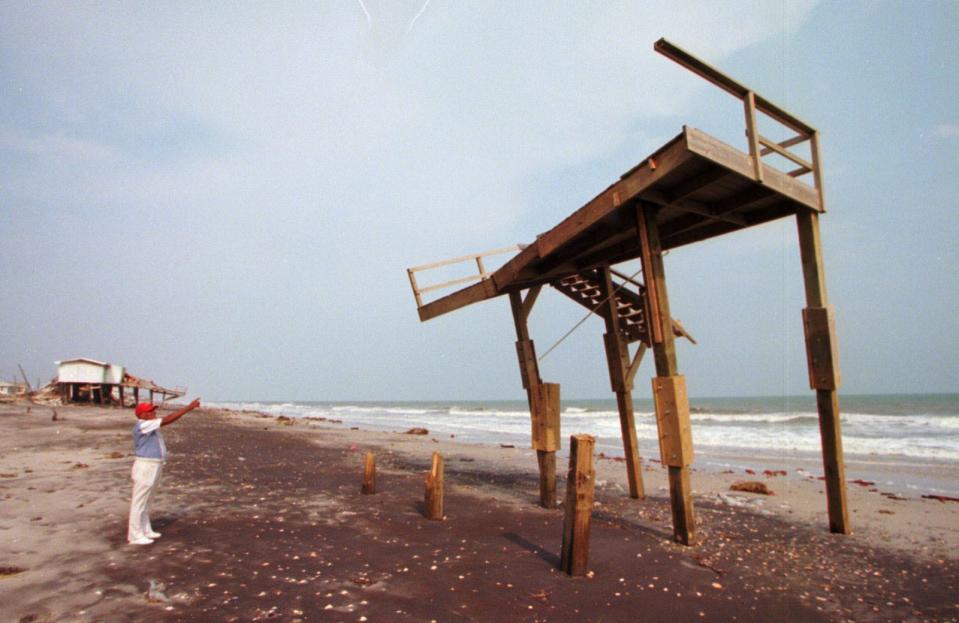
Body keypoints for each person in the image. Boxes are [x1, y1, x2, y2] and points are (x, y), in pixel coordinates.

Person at [127, 398, 201, 545]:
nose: (154, 412)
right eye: (150, 411)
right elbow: (168, 419)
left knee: (147, 500)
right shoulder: (143, 425)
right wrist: (189, 407)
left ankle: (145, 529)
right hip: (145, 466)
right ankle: (134, 535)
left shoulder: (149, 425)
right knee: (139, 502)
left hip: (154, 465)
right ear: (143, 414)